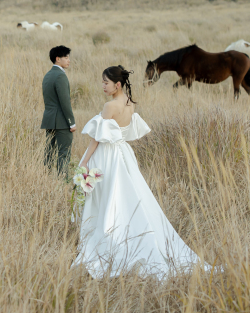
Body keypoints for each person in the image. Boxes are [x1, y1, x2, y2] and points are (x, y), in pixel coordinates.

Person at [74, 65, 204, 278]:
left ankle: (109, 240)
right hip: (124, 154)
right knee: (128, 196)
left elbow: (96, 139)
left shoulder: (110, 106)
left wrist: (85, 162)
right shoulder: (129, 103)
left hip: (108, 156)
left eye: (106, 82)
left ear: (117, 85)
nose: (103, 86)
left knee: (106, 198)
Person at [40, 45, 76, 177]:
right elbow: (65, 102)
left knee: (48, 152)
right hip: (61, 121)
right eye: (66, 57)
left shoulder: (48, 75)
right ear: (57, 59)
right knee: (64, 153)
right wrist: (71, 122)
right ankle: (63, 182)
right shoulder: (60, 76)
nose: (69, 60)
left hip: (49, 119)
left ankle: (46, 178)